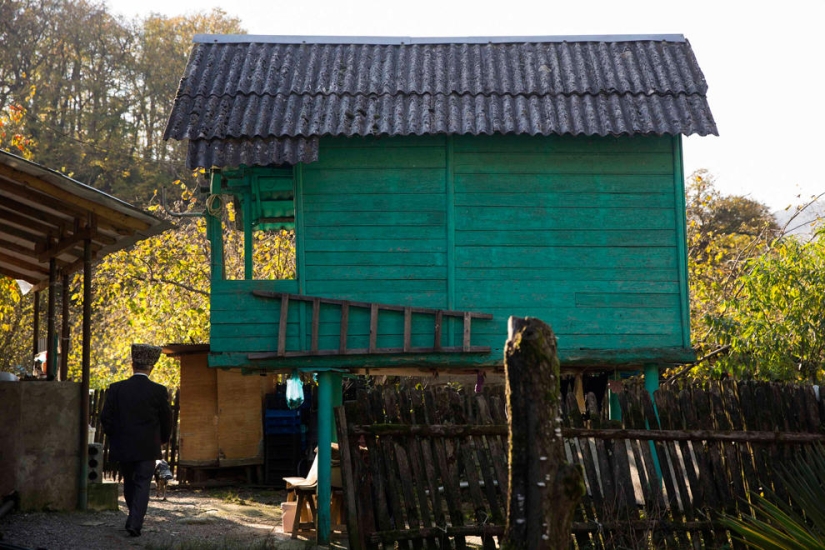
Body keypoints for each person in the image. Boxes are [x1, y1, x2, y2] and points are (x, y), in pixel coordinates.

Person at [101, 344, 172, 537]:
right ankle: (134, 522)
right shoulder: (158, 391)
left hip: (124, 446)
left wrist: (115, 435)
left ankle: (133, 519)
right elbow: (166, 419)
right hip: (148, 447)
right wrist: (163, 439)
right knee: (142, 483)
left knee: (130, 482)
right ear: (152, 368)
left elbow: (105, 417)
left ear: (132, 365)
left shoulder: (116, 389)